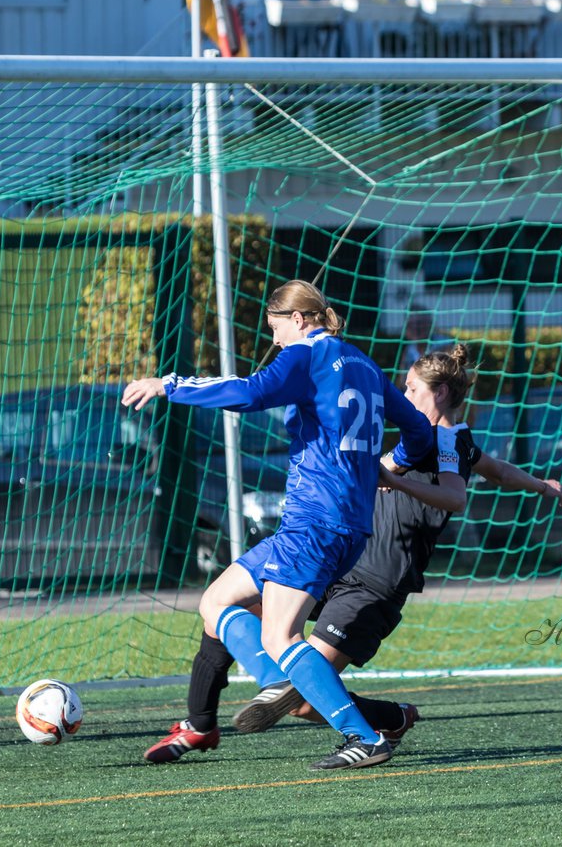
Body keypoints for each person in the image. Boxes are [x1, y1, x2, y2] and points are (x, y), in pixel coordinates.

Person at [142, 344, 562, 763]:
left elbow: (455, 497)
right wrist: (542, 485)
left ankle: (388, 719)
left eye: (411, 389)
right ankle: (200, 723)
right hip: (342, 561)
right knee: (228, 607)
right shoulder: (431, 441)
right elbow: (497, 470)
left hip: (375, 585)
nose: (403, 397)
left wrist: (394, 482)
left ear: (438, 394)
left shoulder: (445, 441)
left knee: (303, 703)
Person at [123, 280, 437, 770]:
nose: (274, 341)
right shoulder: (364, 363)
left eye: (275, 329)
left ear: (300, 319)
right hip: (339, 524)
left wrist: (169, 385)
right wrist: (389, 466)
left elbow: (250, 393)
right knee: (216, 601)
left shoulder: (307, 355)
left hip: (316, 521)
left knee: (280, 636)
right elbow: (418, 430)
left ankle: (363, 736)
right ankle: (283, 685)